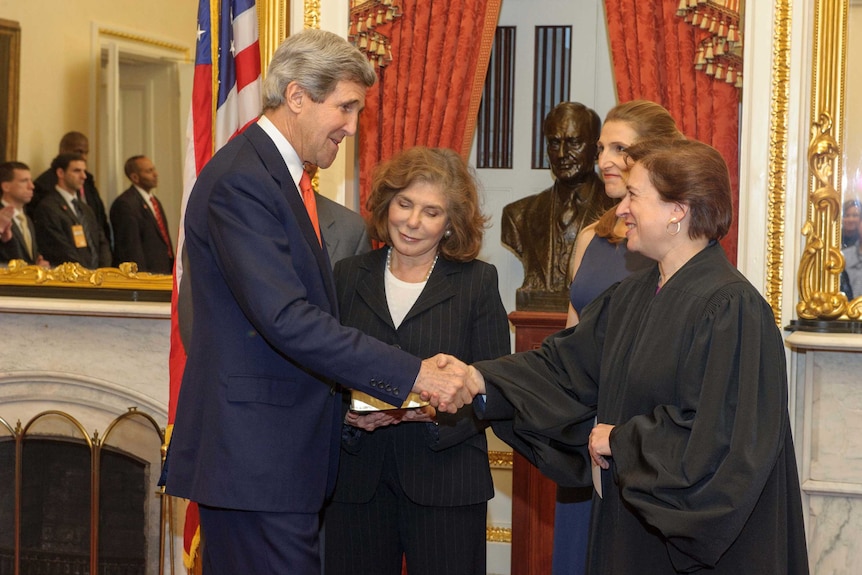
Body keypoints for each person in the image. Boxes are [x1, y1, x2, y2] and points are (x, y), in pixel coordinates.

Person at [163, 29, 476, 575]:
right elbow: (286, 319)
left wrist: (353, 406)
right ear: (298, 96)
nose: (352, 127)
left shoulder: (275, 177)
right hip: (255, 463)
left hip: (275, 459)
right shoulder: (244, 180)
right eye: (346, 108)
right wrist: (414, 374)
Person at [461, 138, 809, 574]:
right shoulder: (631, 296)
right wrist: (477, 379)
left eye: (634, 195)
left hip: (698, 554)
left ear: (677, 210)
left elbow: (721, 444)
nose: (621, 208)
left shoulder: (732, 309)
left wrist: (619, 441)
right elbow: (562, 369)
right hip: (631, 532)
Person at [323, 146, 510, 575]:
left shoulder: (477, 282)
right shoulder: (347, 275)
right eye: (404, 204)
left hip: (446, 482)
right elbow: (323, 375)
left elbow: (497, 389)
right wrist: (348, 419)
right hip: (357, 483)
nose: (412, 221)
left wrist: (434, 413)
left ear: (450, 224)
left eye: (431, 212)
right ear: (386, 204)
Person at [554, 101, 681, 575]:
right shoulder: (590, 237)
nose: (602, 159)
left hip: (639, 441)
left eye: (619, 148)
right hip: (583, 430)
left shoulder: (670, 244)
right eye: (602, 146)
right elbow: (571, 338)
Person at [501, 101, 613, 311]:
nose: (561, 154)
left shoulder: (619, 212)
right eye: (554, 143)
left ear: (595, 148)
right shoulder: (518, 215)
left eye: (573, 142)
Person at [32, 154, 112, 269]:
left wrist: (102, 270)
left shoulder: (86, 209)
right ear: (60, 173)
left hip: (96, 278)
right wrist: (85, 272)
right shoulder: (48, 207)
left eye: (84, 171)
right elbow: (60, 248)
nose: (83, 176)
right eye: (77, 171)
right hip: (70, 277)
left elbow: (102, 242)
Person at [31, 131, 112, 244]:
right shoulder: (44, 185)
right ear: (62, 151)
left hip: (94, 248)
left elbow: (99, 219)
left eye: (86, 152)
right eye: (78, 151)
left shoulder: (87, 180)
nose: (83, 157)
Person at [110, 155, 175, 274]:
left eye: (153, 169)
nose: (155, 174)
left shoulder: (154, 201)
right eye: (149, 171)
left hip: (163, 271)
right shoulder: (125, 204)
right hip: (146, 276)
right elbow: (131, 247)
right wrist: (142, 277)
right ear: (135, 177)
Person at [0, 161, 50, 267]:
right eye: (24, 181)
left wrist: (37, 266)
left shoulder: (27, 220)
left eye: (30, 181)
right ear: (6, 187)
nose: (31, 186)